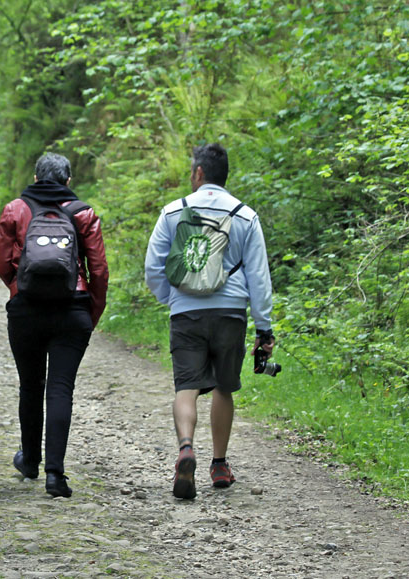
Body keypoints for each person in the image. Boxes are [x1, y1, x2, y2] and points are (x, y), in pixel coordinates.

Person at [144, 143, 274, 500]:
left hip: (186, 310)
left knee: (186, 387)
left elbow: (153, 267)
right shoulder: (245, 216)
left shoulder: (173, 212)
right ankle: (219, 464)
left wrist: (172, 299)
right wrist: (264, 327)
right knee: (223, 386)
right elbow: (259, 277)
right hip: (230, 312)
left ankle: (186, 448)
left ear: (198, 173)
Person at [0, 152, 109, 498]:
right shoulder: (84, 213)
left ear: (35, 176)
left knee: (30, 385)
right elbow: (99, 270)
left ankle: (29, 460)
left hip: (26, 310)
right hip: (72, 309)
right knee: (61, 388)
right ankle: (55, 475)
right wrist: (93, 310)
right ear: (68, 181)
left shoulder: (15, 209)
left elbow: (2, 263)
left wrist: (19, 289)